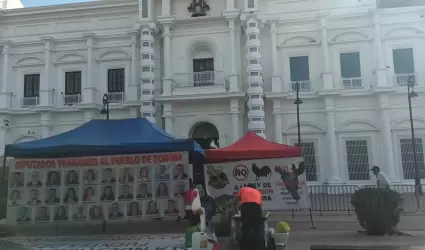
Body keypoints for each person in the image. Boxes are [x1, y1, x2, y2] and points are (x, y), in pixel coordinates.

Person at [236, 183, 263, 250]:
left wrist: (237, 210)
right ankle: (258, 247)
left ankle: (246, 247)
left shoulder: (243, 189)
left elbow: (237, 200)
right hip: (257, 208)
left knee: (246, 227)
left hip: (246, 207)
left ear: (247, 187)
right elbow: (260, 204)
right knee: (257, 228)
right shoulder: (258, 192)